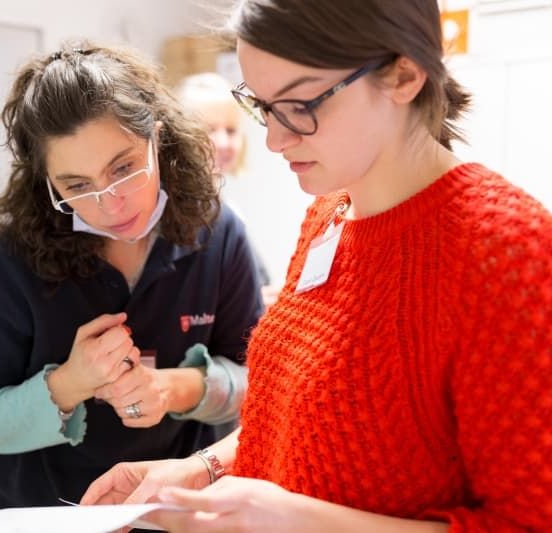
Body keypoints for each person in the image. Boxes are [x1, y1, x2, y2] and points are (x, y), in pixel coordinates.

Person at [81, 1, 552, 531]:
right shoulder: (330, 214)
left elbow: (528, 522)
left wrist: (298, 520)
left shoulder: (506, 249)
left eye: (301, 104)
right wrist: (199, 470)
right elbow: (296, 423)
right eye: (261, 106)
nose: (275, 139)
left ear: (404, 74)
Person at [0, 42, 263, 514]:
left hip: (177, 511)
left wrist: (175, 388)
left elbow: (259, 384)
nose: (111, 205)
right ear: (46, 180)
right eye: (77, 186)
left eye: (124, 168)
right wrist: (69, 384)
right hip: (42, 514)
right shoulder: (7, 261)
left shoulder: (215, 232)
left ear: (157, 136)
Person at [176, 72, 280, 307]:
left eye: (231, 131)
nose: (223, 143)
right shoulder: (175, 216)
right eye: (209, 129)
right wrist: (249, 303)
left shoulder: (226, 208)